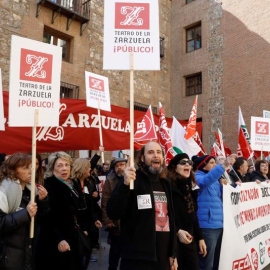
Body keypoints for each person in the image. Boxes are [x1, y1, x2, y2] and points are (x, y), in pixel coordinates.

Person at [107, 142, 177, 270]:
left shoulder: (165, 183)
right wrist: (125, 184)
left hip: (162, 258)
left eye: (158, 152)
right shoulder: (133, 180)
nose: (156, 156)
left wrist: (173, 253)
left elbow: (170, 219)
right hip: (137, 259)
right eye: (150, 152)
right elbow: (113, 212)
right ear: (143, 158)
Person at [38, 152, 87, 270]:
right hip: (58, 239)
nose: (64, 168)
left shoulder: (72, 183)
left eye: (67, 165)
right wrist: (59, 239)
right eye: (60, 165)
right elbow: (47, 217)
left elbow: (80, 207)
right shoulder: (48, 185)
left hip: (75, 235)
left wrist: (85, 227)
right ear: (52, 168)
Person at [0, 153, 49, 270]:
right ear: (13, 169)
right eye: (25, 168)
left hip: (29, 252)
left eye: (32, 167)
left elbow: (42, 220)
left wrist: (44, 201)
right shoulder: (3, 190)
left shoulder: (32, 192)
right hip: (9, 256)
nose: (31, 171)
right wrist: (25, 214)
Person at [167, 153, 206, 270]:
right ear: (174, 167)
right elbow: (163, 215)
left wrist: (200, 238)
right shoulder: (167, 186)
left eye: (189, 163)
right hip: (172, 240)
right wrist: (177, 231)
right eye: (183, 163)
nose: (187, 165)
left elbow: (193, 214)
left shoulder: (190, 187)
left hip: (189, 239)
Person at [192, 154, 230, 270]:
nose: (215, 165)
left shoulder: (216, 180)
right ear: (203, 165)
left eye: (215, 162)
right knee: (206, 263)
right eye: (212, 163)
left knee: (216, 260)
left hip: (218, 225)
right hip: (207, 226)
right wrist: (222, 166)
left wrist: (231, 186)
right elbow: (205, 181)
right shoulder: (196, 177)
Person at [71, 158, 102, 270]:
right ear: (82, 168)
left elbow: (89, 203)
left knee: (87, 253)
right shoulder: (73, 183)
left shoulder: (89, 181)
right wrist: (81, 228)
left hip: (89, 222)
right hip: (78, 226)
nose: (90, 169)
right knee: (79, 257)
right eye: (88, 167)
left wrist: (95, 219)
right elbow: (75, 207)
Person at [101, 158, 127, 270]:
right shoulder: (110, 180)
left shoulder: (135, 178)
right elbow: (105, 200)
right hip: (116, 224)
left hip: (130, 223)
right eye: (117, 166)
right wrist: (108, 220)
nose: (119, 168)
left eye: (122, 165)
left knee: (128, 255)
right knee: (115, 254)